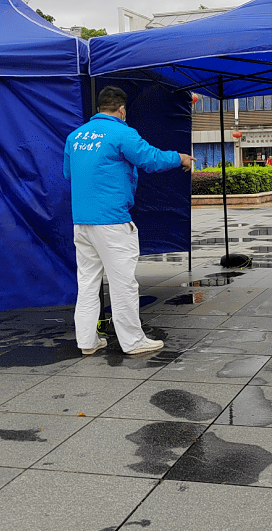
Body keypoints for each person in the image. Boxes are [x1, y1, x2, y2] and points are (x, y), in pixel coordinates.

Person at [64, 86, 194, 356]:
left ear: (99, 108)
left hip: (82, 221)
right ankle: (133, 341)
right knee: (123, 283)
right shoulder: (122, 132)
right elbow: (149, 159)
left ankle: (87, 341)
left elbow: (69, 174)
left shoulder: (75, 137)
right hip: (111, 220)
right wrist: (179, 157)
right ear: (121, 110)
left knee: (88, 281)